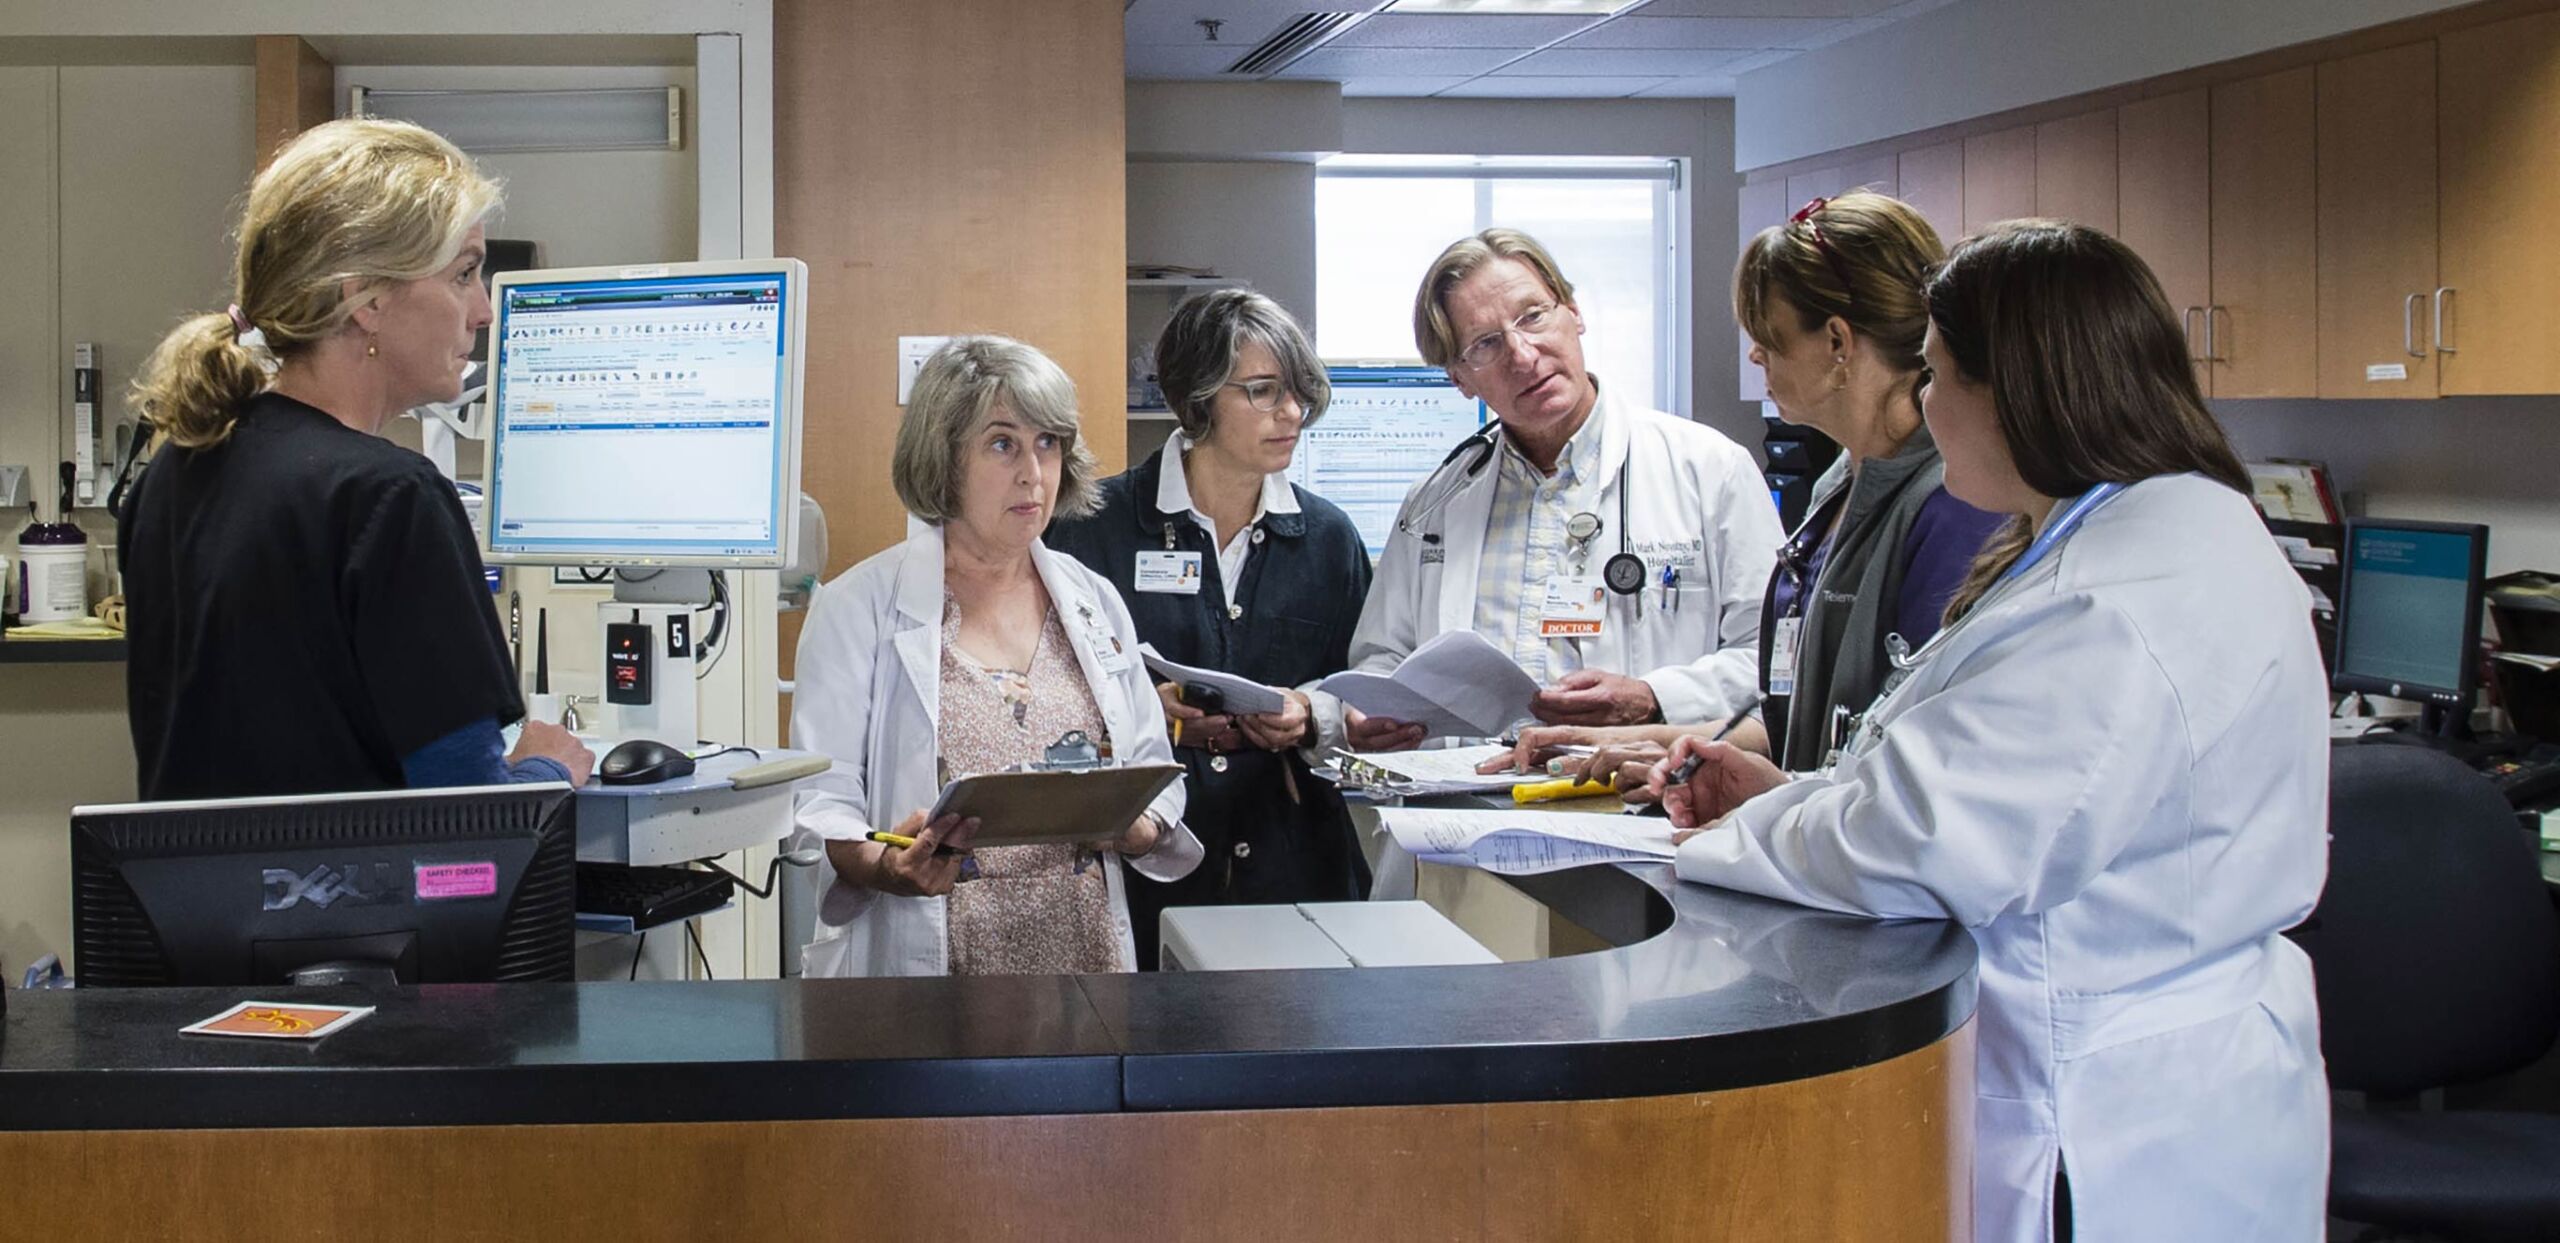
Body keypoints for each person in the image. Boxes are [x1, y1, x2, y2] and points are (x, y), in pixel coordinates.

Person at [1648, 221, 2329, 1241]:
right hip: (2167, 1079)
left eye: (1934, 373)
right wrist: (1792, 797)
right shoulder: (2147, 530)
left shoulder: (2110, 603)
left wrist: (1726, 842)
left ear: (2013, 391)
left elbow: (1924, 844)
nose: (1922, 404)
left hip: (2109, 1119)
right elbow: (1951, 771)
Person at [119, 119, 593, 800]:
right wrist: (549, 767)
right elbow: (471, 826)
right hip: (366, 909)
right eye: (464, 274)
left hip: (203, 909)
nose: (484, 310)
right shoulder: (390, 499)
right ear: (365, 297)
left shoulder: (175, 472)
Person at [1493, 193, 2001, 791]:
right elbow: (1797, 722)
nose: (1755, 353)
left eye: (1771, 335)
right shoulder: (1840, 489)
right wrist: (1650, 743)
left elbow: (1909, 764)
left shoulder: (1952, 506)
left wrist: (1757, 798)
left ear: (1837, 343)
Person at [791, 335, 1200, 977]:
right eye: (1003, 443)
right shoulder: (858, 606)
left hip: (1084, 959)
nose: (1033, 474)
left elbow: (1152, 764)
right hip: (937, 966)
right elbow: (823, 801)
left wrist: (1135, 826)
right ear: (944, 459)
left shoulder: (1092, 599)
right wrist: (890, 867)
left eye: (1049, 443)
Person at [1345, 228, 1780, 753]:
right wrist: (1376, 713)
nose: (1523, 355)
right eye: (1485, 344)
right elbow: (1382, 658)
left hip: (1641, 809)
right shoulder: (1434, 503)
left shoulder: (1710, 470)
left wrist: (1653, 696)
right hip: (1465, 812)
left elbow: (1773, 661)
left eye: (1533, 316)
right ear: (1459, 378)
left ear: (1573, 312)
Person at [1047, 291, 1373, 969]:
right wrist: (1142, 714)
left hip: (1298, 874)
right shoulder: (1089, 529)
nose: (1292, 413)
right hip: (1144, 877)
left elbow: (1365, 693)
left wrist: (1310, 715)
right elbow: (1037, 704)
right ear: (1197, 398)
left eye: (1300, 392)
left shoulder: (1330, 539)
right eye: (1264, 391)